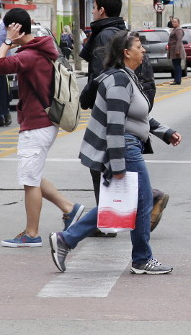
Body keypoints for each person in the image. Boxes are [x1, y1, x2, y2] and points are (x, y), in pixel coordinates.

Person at [53, 31, 180, 275]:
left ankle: (67, 239)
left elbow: (138, 116)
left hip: (127, 144)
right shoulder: (120, 81)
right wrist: (118, 165)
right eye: (139, 46)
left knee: (123, 204)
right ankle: (141, 259)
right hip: (125, 147)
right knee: (141, 203)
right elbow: (115, 123)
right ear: (126, 53)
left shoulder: (126, 77)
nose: (143, 50)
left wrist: (165, 132)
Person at [0, 8, 85, 248]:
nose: (6, 35)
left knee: (29, 180)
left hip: (36, 124)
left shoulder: (30, 55)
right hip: (42, 122)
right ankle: (69, 208)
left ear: (16, 29)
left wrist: (8, 42)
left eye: (8, 29)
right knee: (32, 173)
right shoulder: (40, 49)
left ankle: (32, 234)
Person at [79, 0, 163, 231]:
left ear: (101, 10)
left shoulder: (105, 35)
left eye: (93, 7)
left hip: (119, 102)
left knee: (103, 161)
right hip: (132, 100)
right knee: (113, 159)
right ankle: (114, 216)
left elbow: (100, 75)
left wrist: (87, 99)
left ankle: (106, 221)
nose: (92, 12)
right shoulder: (119, 32)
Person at [167, 17, 186, 85]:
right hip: (173, 49)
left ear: (178, 23)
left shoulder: (178, 30)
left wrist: (177, 50)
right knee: (175, 65)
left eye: (175, 22)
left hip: (177, 50)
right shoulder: (174, 29)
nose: (173, 23)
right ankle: (176, 79)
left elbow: (179, 40)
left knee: (177, 65)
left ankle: (178, 80)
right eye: (173, 22)